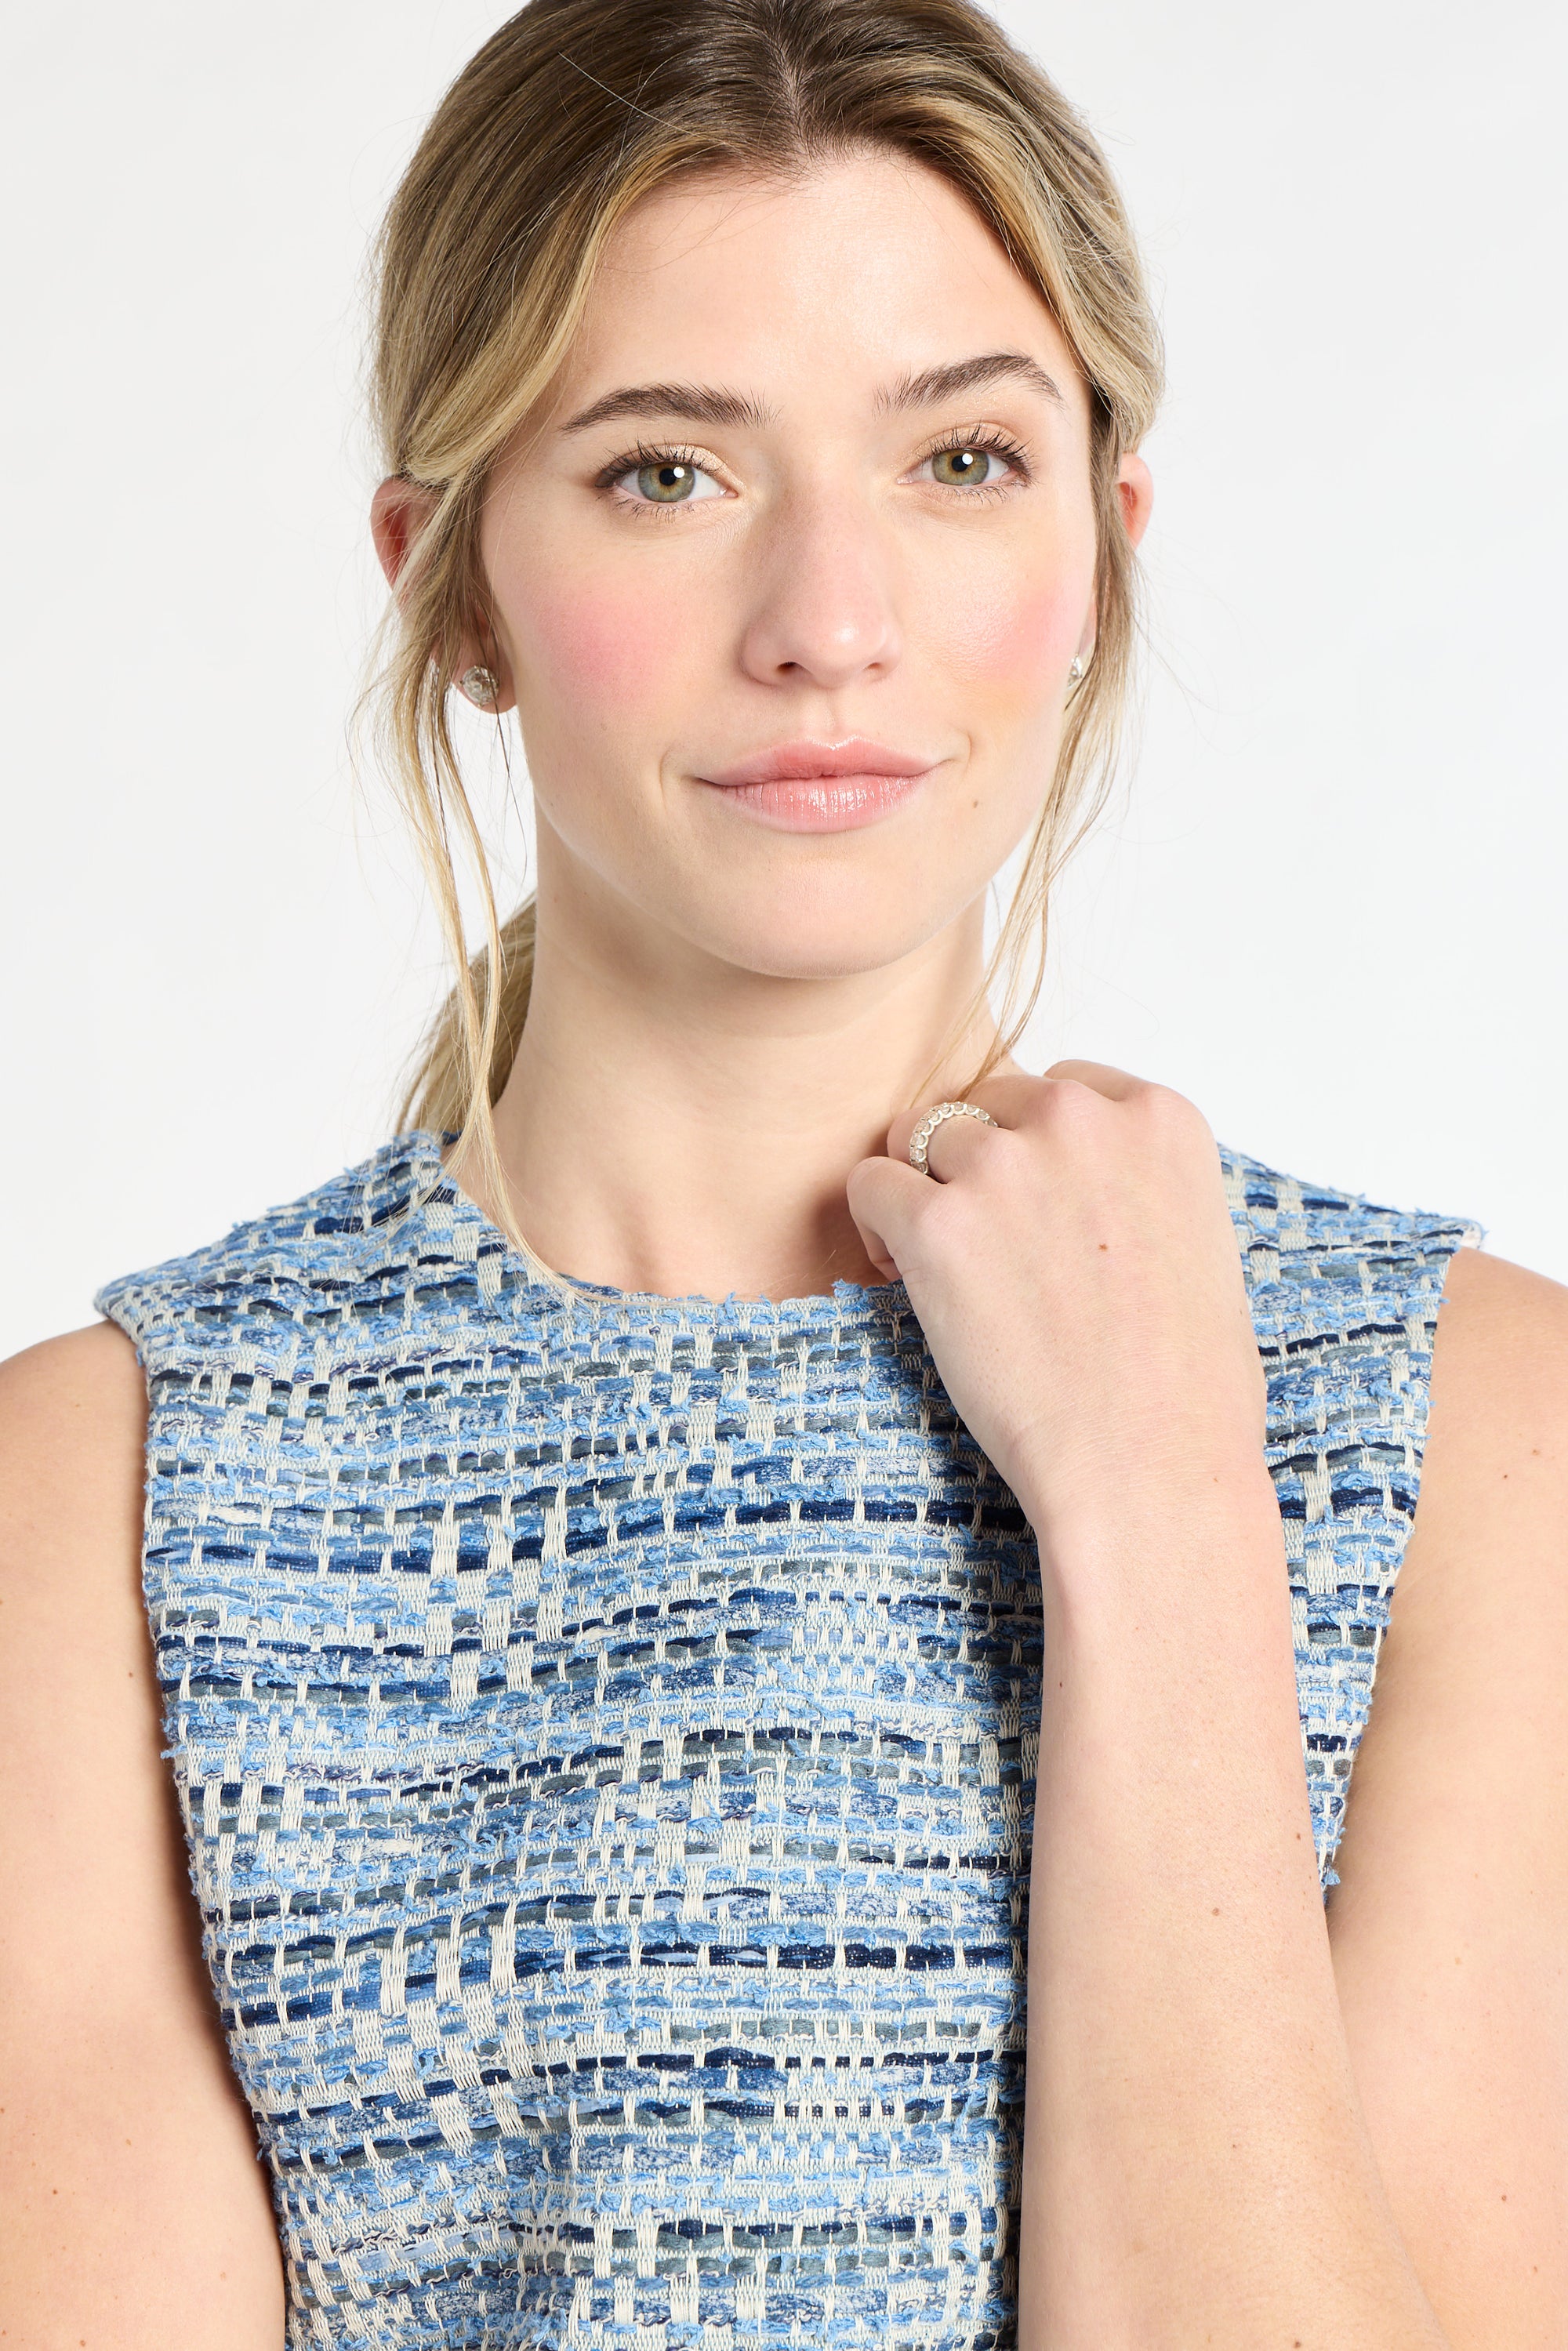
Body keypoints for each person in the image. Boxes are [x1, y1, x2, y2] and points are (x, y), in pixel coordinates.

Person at [2, 1, 1563, 2344]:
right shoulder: (108, 1504)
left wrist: (1163, 1521)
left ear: (1107, 548)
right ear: (455, 591)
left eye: (958, 460)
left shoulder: (1475, 1438)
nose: (832, 624)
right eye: (665, 471)